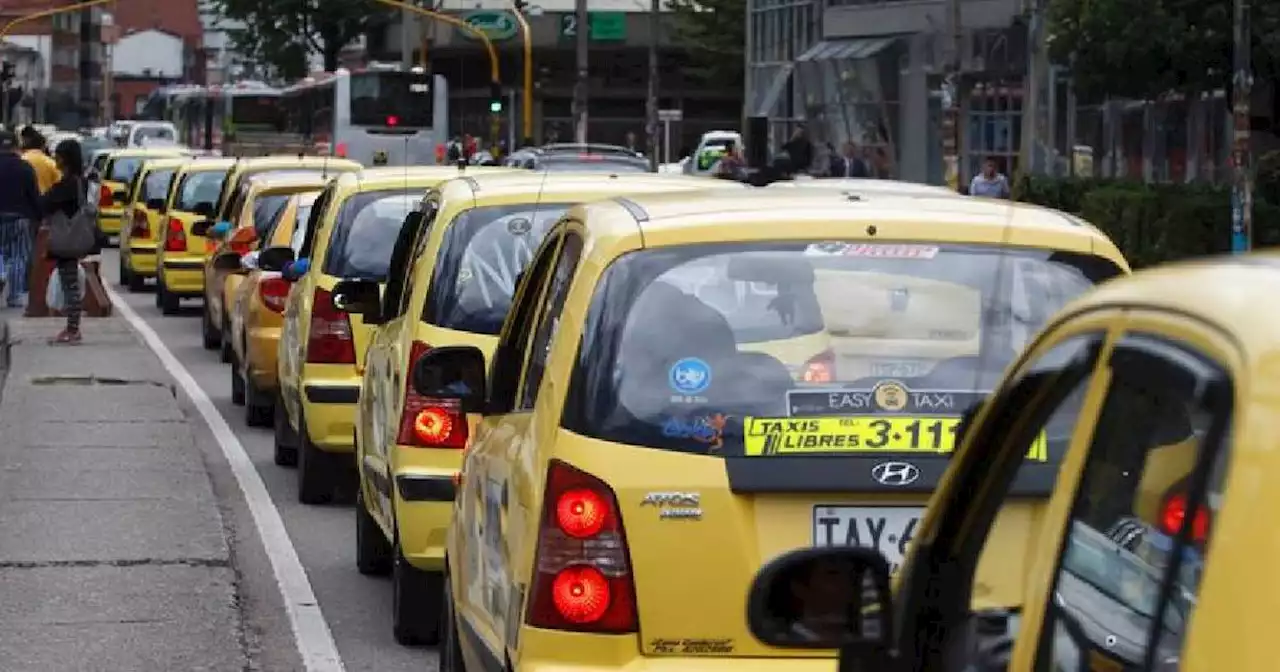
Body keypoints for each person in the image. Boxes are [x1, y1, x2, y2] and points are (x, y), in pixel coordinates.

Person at [41, 139, 95, 344]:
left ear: (66, 158)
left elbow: (46, 202)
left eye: (58, 155)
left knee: (70, 284)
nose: (55, 158)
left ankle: (73, 330)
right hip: (74, 237)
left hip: (67, 239)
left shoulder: (68, 184)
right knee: (69, 282)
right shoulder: (81, 181)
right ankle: (71, 327)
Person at [0, 129, 41, 307]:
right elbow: (34, 195)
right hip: (20, 218)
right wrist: (39, 217)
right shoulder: (25, 168)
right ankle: (14, 296)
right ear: (17, 147)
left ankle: (1, 272)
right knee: (17, 256)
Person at [20, 126, 62, 195]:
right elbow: (59, 181)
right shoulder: (50, 163)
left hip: (25, 200)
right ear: (43, 146)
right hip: (46, 201)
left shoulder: (21, 160)